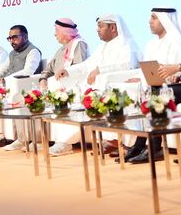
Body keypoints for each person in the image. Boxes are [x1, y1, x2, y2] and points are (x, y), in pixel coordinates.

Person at [51, 14, 140, 155]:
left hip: (118, 84)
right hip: (100, 85)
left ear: (113, 27)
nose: (97, 30)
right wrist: (68, 71)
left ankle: (115, 141)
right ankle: (64, 141)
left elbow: (128, 65)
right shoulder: (103, 46)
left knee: (100, 97)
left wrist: (100, 70)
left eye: (101, 26)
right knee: (69, 96)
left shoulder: (127, 44)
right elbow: (87, 65)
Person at [124, 7, 181, 164]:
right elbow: (148, 70)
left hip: (178, 87)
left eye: (154, 18)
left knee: (156, 93)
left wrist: (171, 76)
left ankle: (154, 147)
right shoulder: (151, 44)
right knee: (147, 91)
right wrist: (139, 78)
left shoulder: (177, 43)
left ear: (165, 20)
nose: (149, 21)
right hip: (158, 86)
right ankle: (140, 145)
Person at [0, 25, 43, 151]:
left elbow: (28, 71)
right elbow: (3, 69)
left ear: (25, 37)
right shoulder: (12, 53)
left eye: (15, 37)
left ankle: (38, 141)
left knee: (19, 101)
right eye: (10, 38)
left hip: (29, 87)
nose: (12, 41)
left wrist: (5, 80)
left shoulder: (33, 51)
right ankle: (21, 140)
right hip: (14, 88)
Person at [38, 18, 90, 156]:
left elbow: (81, 69)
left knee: (62, 97)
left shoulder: (79, 44)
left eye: (57, 31)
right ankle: (51, 139)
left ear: (65, 31)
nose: (55, 34)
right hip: (58, 87)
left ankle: (65, 142)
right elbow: (48, 69)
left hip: (74, 87)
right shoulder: (60, 49)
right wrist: (43, 79)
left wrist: (66, 74)